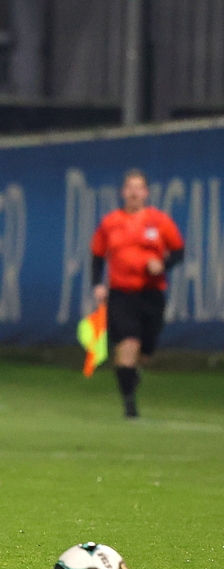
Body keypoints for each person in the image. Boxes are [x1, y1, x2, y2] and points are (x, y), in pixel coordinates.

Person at [90, 169, 184, 418]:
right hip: (122, 293)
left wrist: (163, 264)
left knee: (146, 352)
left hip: (152, 293)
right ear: (122, 192)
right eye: (129, 187)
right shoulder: (110, 223)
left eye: (138, 188)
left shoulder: (159, 221)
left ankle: (131, 374)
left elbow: (178, 251)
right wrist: (97, 284)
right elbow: (98, 255)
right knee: (128, 343)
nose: (133, 192)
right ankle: (129, 403)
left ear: (146, 193)